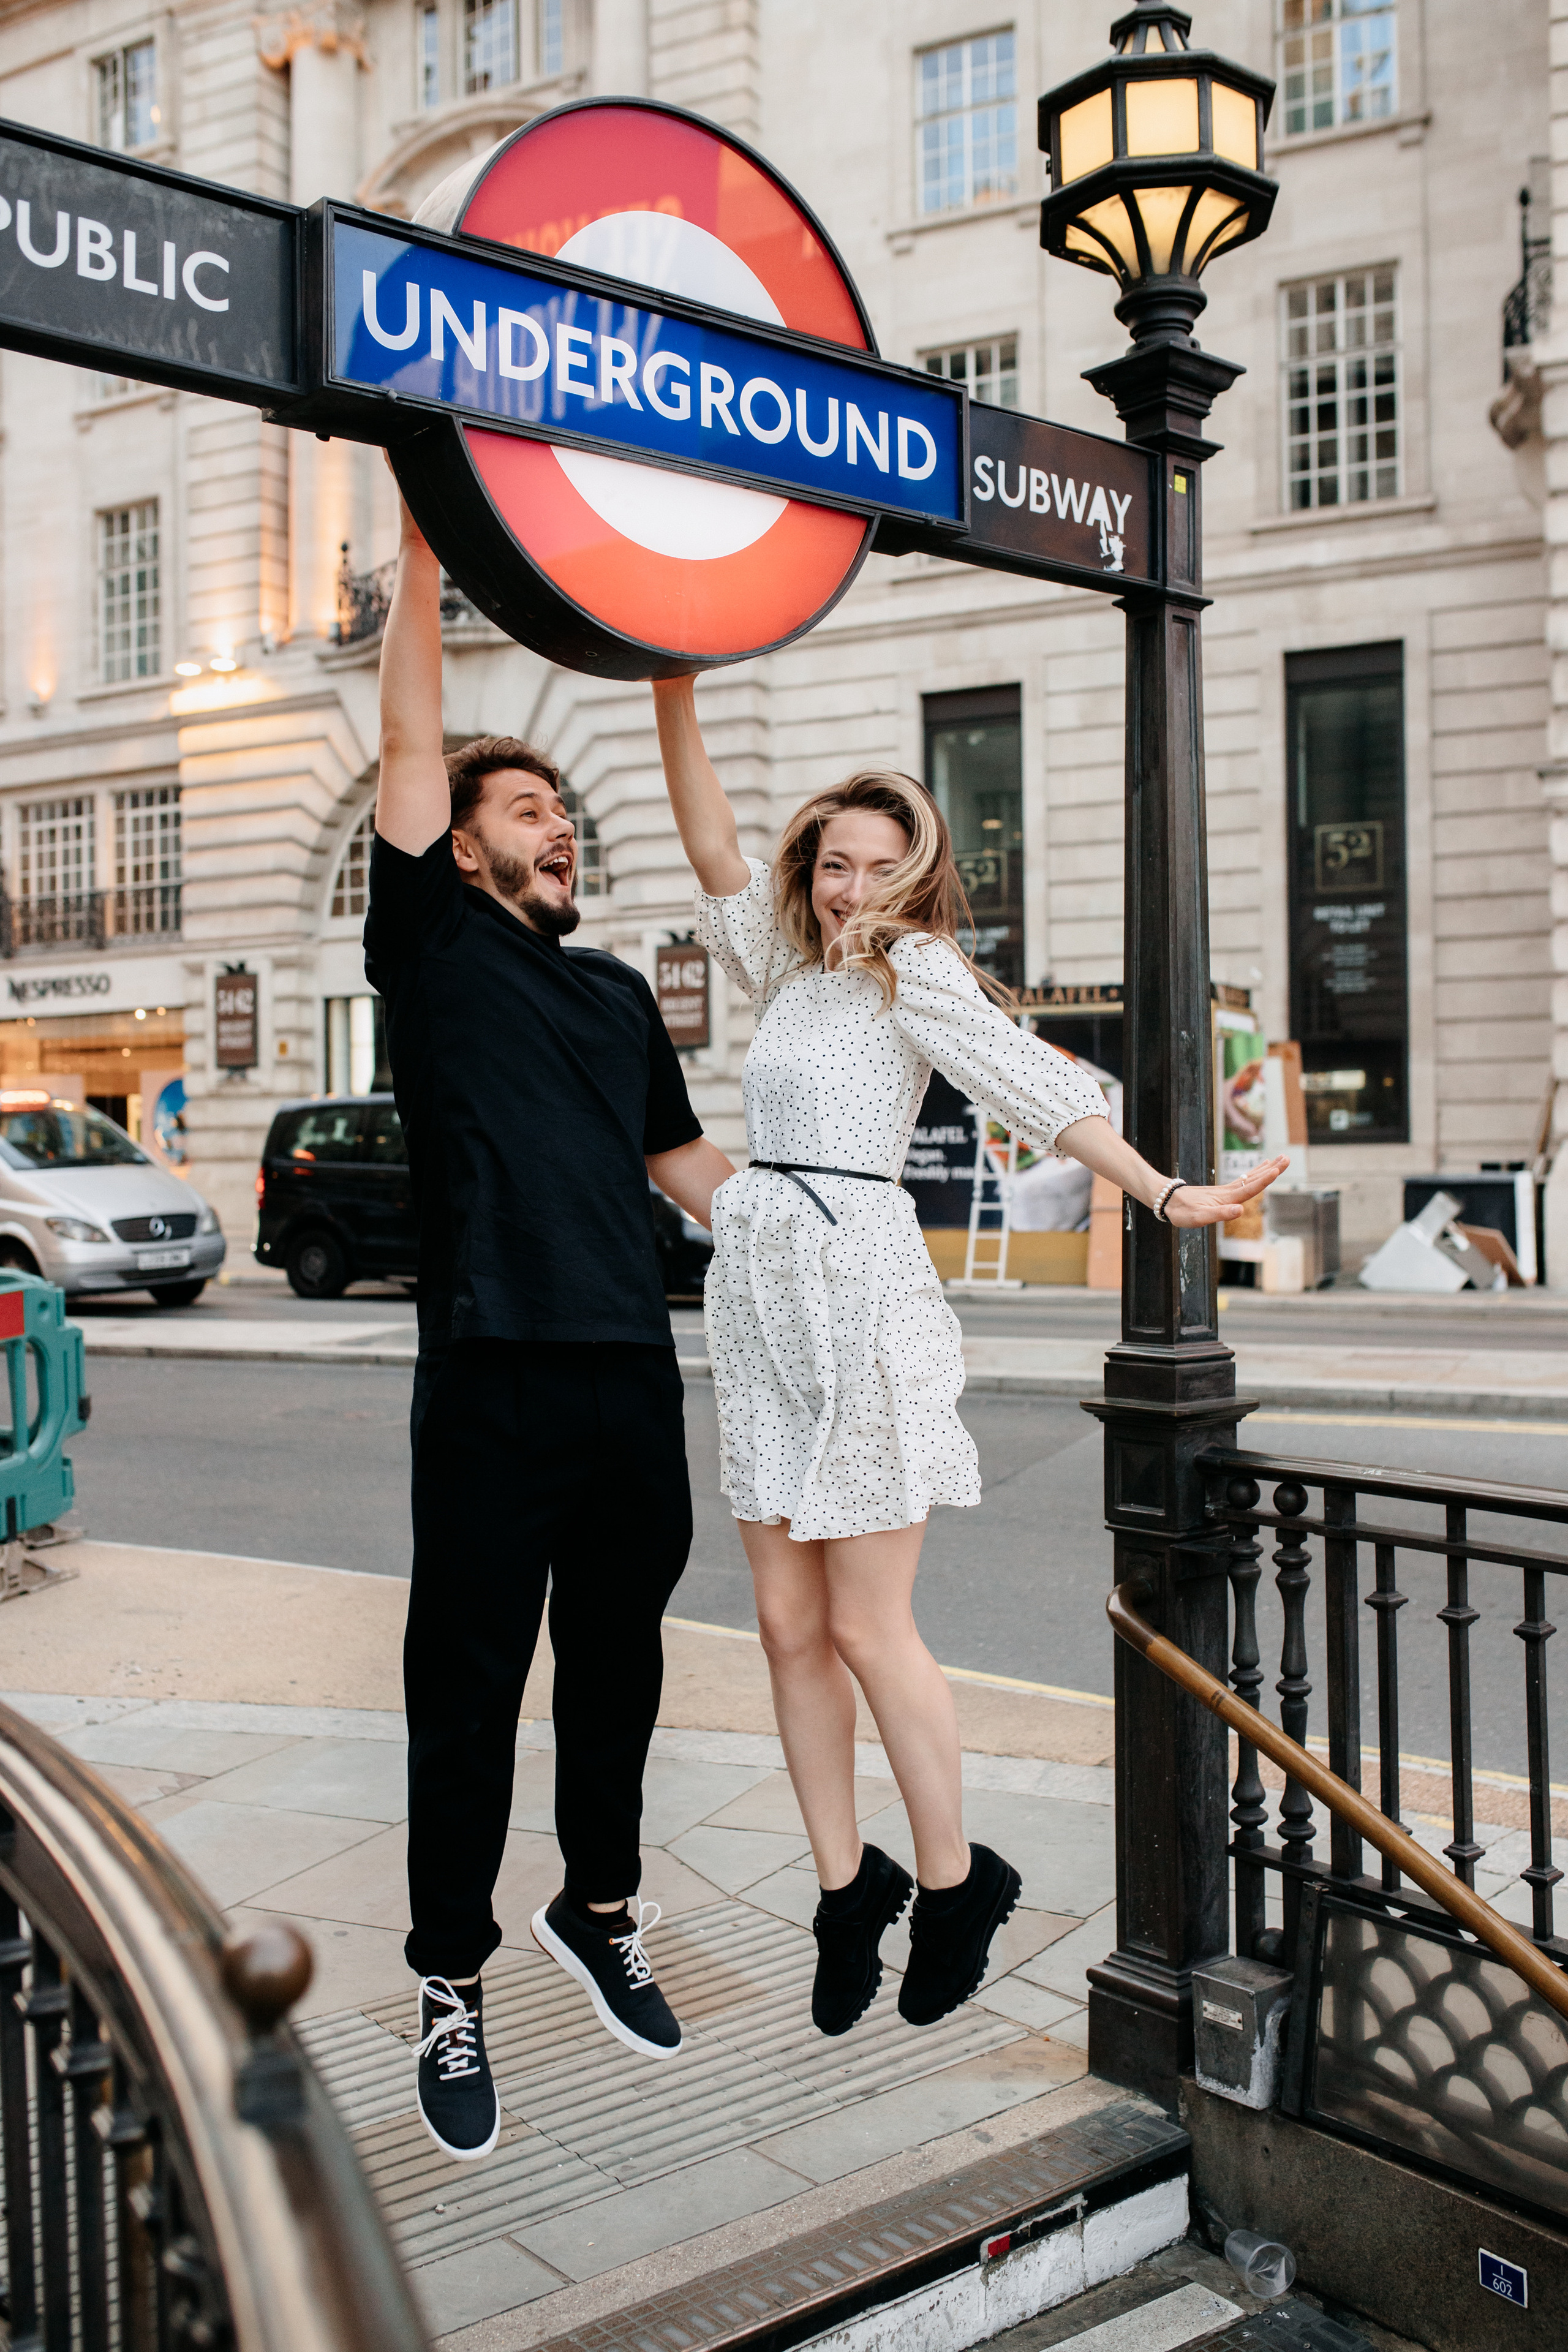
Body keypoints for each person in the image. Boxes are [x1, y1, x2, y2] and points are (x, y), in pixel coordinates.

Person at [652, 674, 1287, 2038]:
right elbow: (710, 845)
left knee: (870, 1628)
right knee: (782, 1627)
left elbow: (1032, 1082)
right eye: (835, 865)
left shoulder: (914, 972)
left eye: (882, 867)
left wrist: (1165, 1194)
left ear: (920, 875)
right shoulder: (790, 968)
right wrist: (671, 685)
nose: (853, 888)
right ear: (811, 868)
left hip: (859, 1294)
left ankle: (954, 1883)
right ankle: (845, 1892)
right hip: (760, 1301)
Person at [366, 499, 734, 2163]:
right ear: (461, 841)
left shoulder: (611, 994)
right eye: (529, 808)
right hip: (494, 1373)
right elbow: (412, 735)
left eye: (565, 810)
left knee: (621, 1675)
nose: (560, 827)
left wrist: (830, 1215)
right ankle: (452, 1977)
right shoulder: (432, 944)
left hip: (630, 1379)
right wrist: (425, 565)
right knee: (466, 1691)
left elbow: (684, 1163)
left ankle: (602, 1907)